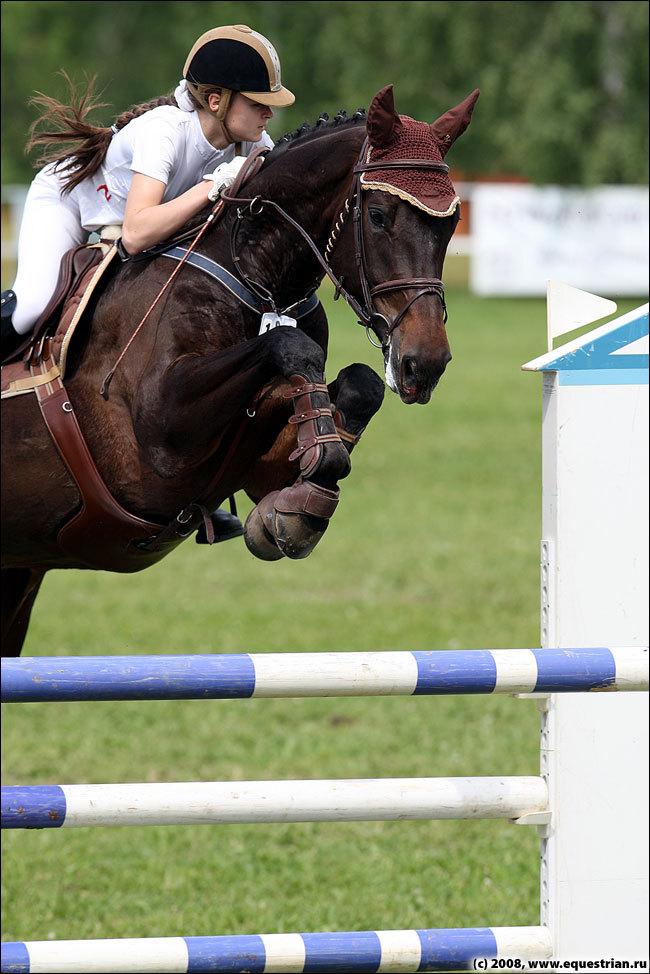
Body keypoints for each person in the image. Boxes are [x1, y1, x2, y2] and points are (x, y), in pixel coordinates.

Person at [1, 23, 295, 543]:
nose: (270, 112)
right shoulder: (167, 129)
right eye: (259, 101)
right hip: (73, 206)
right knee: (31, 305)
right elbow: (136, 233)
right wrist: (213, 187)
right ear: (215, 99)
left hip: (138, 228)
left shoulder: (253, 144)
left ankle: (207, 484)